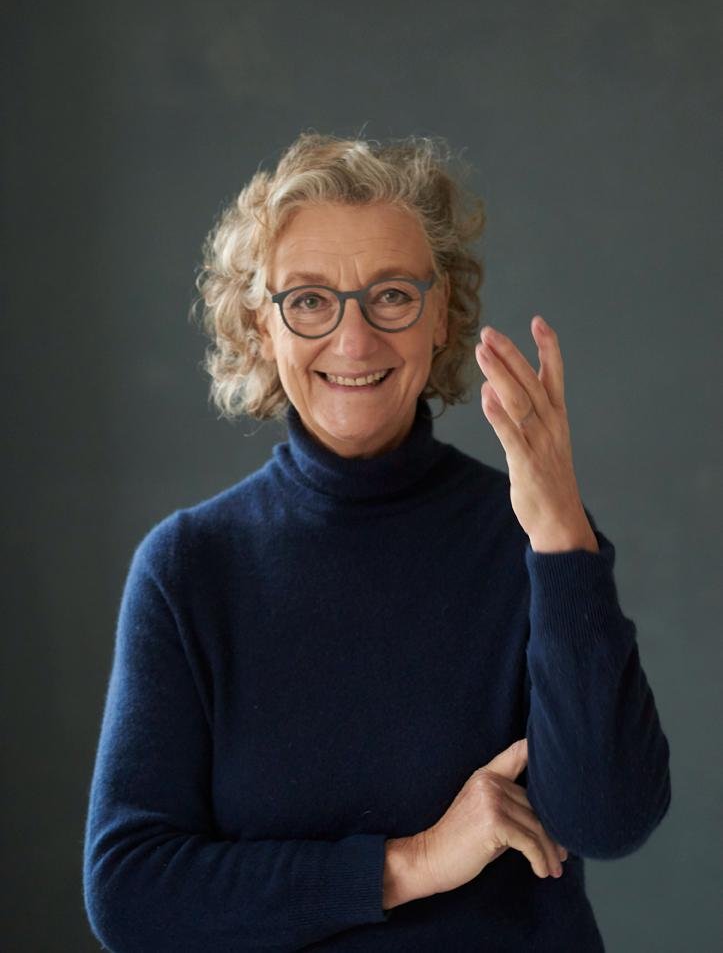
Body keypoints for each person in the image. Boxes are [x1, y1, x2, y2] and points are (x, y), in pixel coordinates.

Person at [83, 130, 671, 952]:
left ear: (441, 316)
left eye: (392, 294)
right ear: (261, 326)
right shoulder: (189, 567)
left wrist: (562, 538)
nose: (353, 341)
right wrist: (415, 860)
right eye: (310, 300)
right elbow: (131, 897)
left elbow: (608, 817)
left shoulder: (530, 536)